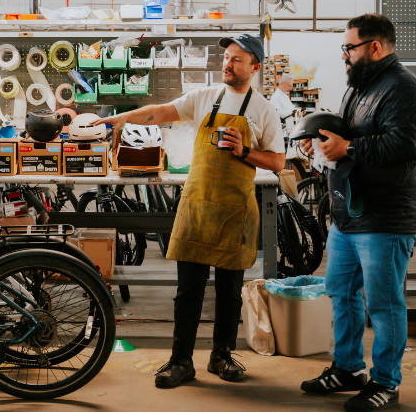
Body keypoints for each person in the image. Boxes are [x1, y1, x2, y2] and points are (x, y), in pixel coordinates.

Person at [95, 34, 285, 389]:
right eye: (226, 57)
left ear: (255, 67)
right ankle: (180, 361)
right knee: (188, 292)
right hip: (197, 206)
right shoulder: (204, 98)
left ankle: (221, 356)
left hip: (234, 211)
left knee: (229, 292)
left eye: (237, 60)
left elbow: (277, 161)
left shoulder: (263, 109)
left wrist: (244, 151)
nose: (228, 64)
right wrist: (112, 121)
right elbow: (158, 112)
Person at [297, 14, 416, 412]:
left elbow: (406, 146)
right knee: (341, 292)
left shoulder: (404, 89)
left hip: (386, 219)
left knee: (385, 305)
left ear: (375, 47)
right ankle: (349, 368)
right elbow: (349, 133)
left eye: (349, 48)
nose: (345, 56)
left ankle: (386, 382)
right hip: (350, 216)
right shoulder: (362, 87)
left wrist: (349, 150)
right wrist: (320, 143)